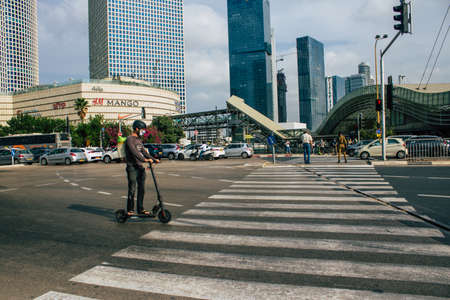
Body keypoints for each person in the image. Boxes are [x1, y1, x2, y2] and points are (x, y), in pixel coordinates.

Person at [125, 120, 159, 216]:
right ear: (136, 129)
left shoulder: (139, 140)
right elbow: (134, 152)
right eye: (142, 129)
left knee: (142, 189)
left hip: (140, 167)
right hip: (132, 167)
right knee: (132, 189)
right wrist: (145, 160)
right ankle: (130, 210)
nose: (143, 132)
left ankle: (140, 209)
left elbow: (144, 152)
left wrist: (153, 159)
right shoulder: (129, 139)